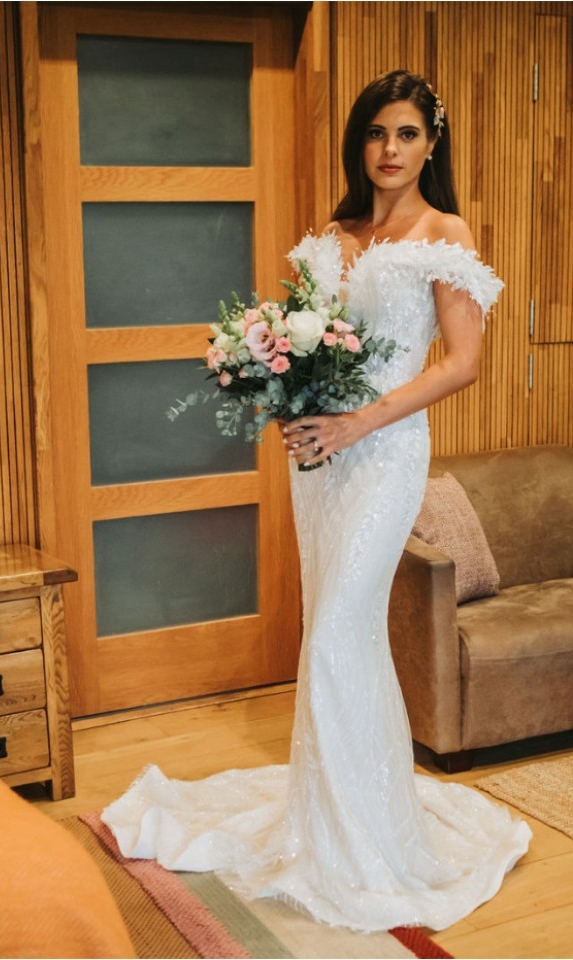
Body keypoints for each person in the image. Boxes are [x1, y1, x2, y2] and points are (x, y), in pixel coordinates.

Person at [101, 70, 531, 934]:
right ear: (358, 143)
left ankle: (367, 842)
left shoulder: (444, 233)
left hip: (385, 453)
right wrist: (287, 400)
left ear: (432, 145)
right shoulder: (332, 237)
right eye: (376, 133)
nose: (389, 150)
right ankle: (332, 815)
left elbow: (463, 364)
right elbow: (309, 348)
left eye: (406, 134)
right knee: (334, 632)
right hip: (320, 463)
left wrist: (360, 420)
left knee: (339, 628)